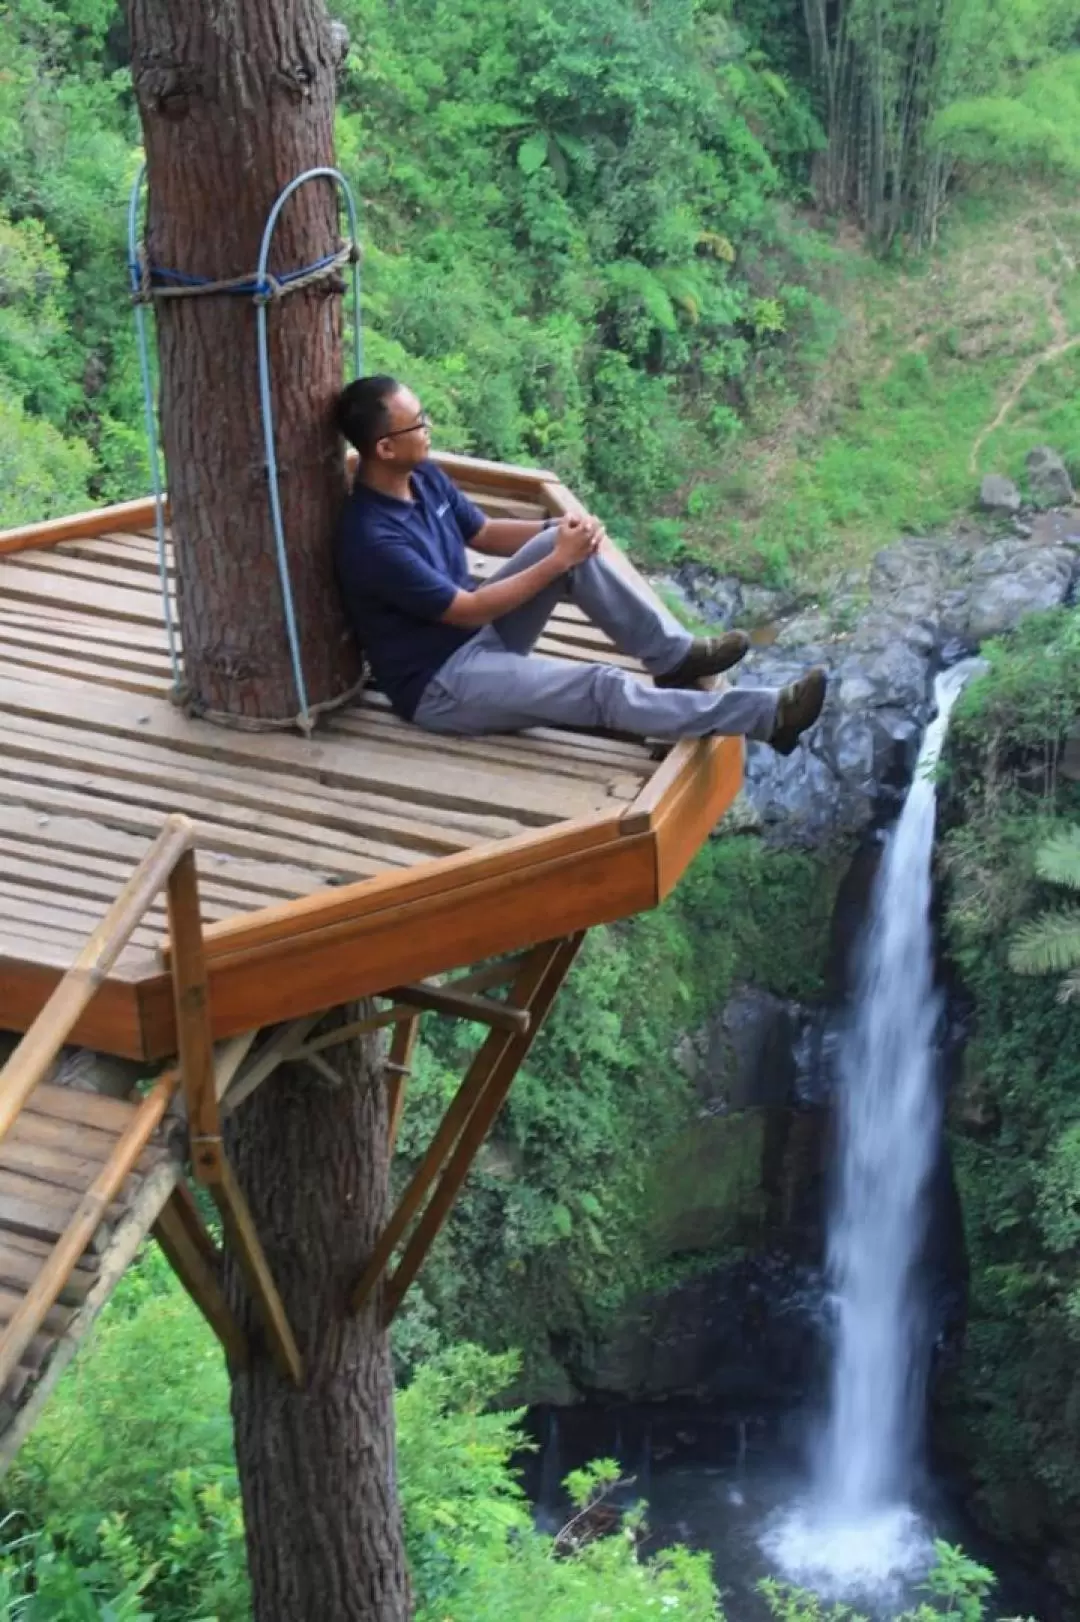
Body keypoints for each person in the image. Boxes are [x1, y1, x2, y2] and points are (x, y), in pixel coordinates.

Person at [334, 376, 826, 754]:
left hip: (475, 639)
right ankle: (767, 717)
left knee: (558, 546)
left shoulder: (425, 476)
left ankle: (674, 658)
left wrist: (565, 532)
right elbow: (468, 609)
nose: (428, 428)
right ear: (385, 448)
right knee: (600, 686)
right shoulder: (374, 537)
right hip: (441, 682)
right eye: (418, 423)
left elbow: (481, 532)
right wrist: (556, 560)